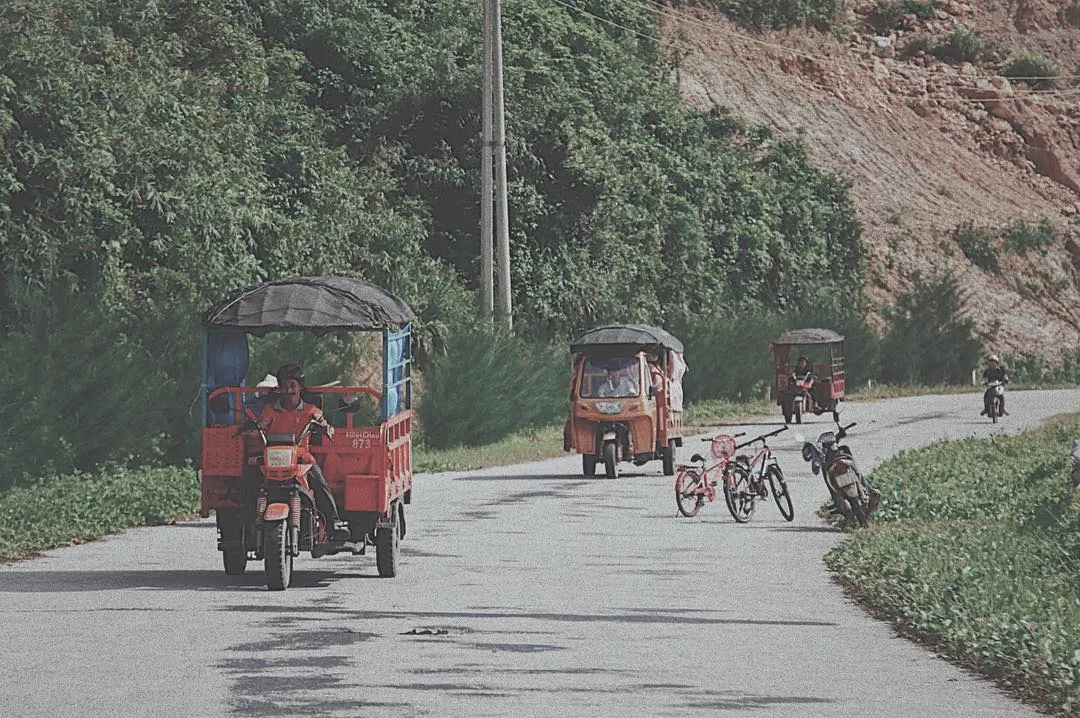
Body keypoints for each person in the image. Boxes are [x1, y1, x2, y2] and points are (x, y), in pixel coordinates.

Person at [258, 363, 350, 541]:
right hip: (273, 457)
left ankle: (333, 523)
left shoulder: (309, 409)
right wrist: (254, 428)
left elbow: (319, 417)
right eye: (284, 386)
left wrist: (325, 425)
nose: (288, 390)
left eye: (292, 385)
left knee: (320, 482)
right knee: (248, 477)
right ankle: (246, 524)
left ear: (300, 387)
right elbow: (262, 423)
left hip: (302, 459)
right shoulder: (270, 409)